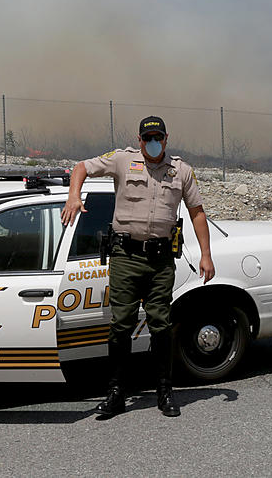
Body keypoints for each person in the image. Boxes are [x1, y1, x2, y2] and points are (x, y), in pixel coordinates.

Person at [61, 116, 214, 418]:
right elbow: (81, 167)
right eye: (148, 138)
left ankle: (165, 391)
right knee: (121, 324)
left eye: (158, 137)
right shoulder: (122, 160)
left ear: (166, 138)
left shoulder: (180, 171)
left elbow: (197, 212)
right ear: (140, 140)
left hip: (160, 260)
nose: (152, 142)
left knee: (161, 324)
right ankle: (117, 393)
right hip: (125, 258)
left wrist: (206, 255)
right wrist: (73, 195)